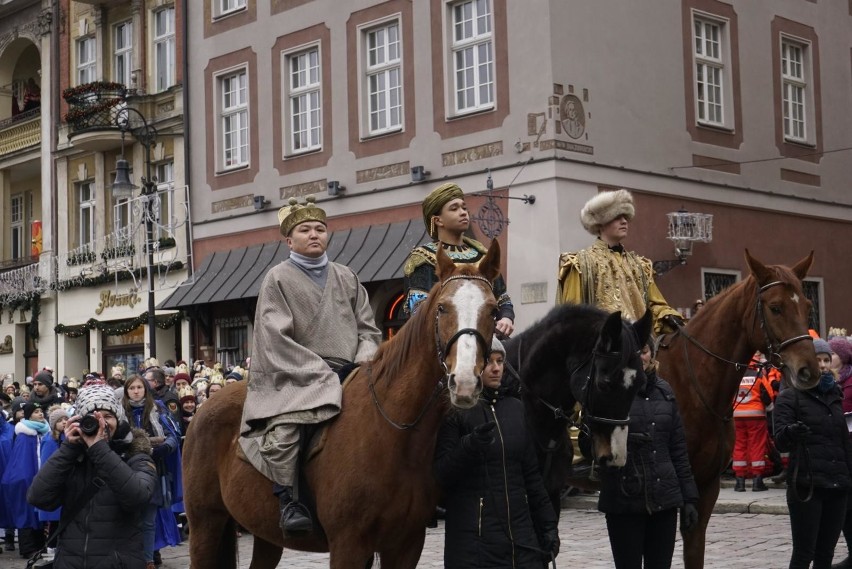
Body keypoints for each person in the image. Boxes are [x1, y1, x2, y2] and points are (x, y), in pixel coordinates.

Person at [240, 195, 381, 536]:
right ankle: (289, 500)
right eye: (305, 230)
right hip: (297, 373)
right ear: (289, 240)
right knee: (288, 429)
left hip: (353, 369)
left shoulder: (347, 276)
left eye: (320, 228)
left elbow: (368, 328)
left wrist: (365, 354)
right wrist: (319, 370)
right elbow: (274, 338)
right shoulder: (277, 278)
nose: (315, 234)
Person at [434, 338, 559, 568]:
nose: (496, 368)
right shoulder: (455, 410)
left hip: (521, 540)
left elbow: (532, 476)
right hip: (475, 544)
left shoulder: (516, 408)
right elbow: (442, 473)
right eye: (488, 361)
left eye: (500, 361)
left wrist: (548, 526)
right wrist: (469, 445)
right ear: (473, 365)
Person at [27, 381, 156, 569]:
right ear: (81, 422)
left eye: (108, 416)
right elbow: (38, 497)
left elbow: (137, 497)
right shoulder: (72, 457)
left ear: (118, 420)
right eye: (93, 418)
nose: (102, 423)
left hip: (118, 563)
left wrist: (99, 449)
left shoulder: (136, 456)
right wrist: (68, 449)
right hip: (70, 562)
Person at [597, 338, 699, 569]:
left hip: (664, 501)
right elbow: (592, 444)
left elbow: (678, 449)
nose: (639, 357)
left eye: (643, 351)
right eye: (632, 352)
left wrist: (689, 498)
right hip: (624, 502)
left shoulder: (665, 391)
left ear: (651, 354)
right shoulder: (608, 391)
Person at [556, 189, 682, 335]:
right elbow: (573, 315)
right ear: (601, 224)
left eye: (625, 217)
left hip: (640, 347)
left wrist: (667, 315)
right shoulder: (580, 264)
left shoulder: (640, 265)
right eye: (617, 217)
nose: (624, 221)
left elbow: (653, 304)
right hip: (603, 349)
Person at [402, 182, 514, 337]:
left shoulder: (482, 254)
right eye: (454, 209)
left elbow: (502, 298)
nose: (463, 212)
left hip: (486, 337)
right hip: (442, 341)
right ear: (438, 221)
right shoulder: (423, 259)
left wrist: (506, 318)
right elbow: (419, 310)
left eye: (464, 207)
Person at [775, 359, 852, 569]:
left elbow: (843, 441)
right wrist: (791, 432)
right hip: (807, 486)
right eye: (817, 360)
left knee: (826, 553)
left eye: (826, 359)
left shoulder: (835, 394)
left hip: (837, 485)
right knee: (804, 553)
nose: (823, 365)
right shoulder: (789, 397)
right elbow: (780, 441)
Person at [122, 375, 182, 567]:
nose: (136, 391)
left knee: (149, 518)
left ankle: (148, 559)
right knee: (128, 518)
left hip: (154, 468)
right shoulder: (119, 411)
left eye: (139, 387)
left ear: (145, 389)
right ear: (126, 391)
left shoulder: (158, 408)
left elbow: (173, 435)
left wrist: (163, 449)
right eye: (131, 388)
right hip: (126, 469)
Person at [1, 402, 48, 558]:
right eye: (36, 411)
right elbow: (21, 462)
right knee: (27, 514)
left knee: (38, 514)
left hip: (38, 479)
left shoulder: (42, 432)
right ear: (28, 416)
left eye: (41, 410)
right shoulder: (25, 434)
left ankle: (40, 547)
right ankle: (28, 549)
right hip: (26, 480)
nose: (40, 414)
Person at [732, 353, 779, 492]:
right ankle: (757, 481)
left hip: (736, 415)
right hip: (756, 415)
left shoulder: (735, 376)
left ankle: (739, 482)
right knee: (756, 446)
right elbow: (768, 394)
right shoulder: (758, 375)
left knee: (739, 445)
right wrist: (770, 408)